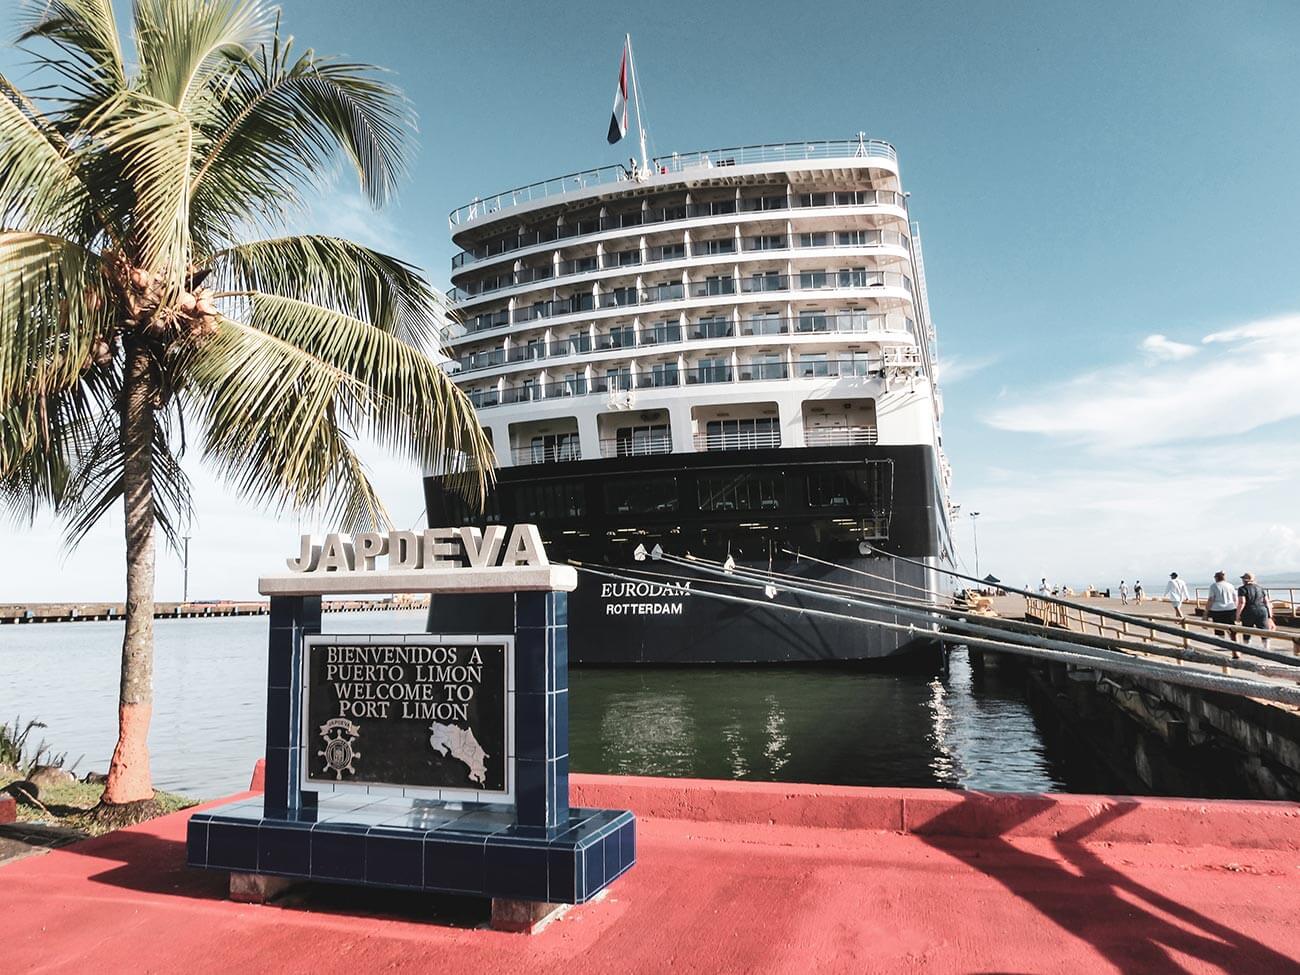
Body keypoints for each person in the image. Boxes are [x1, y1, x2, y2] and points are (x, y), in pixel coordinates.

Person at [1236, 572, 1272, 645]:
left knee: (1247, 631)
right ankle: (1266, 648)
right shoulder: (1260, 588)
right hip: (1262, 610)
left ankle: (1247, 647)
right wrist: (1269, 614)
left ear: (1244, 580)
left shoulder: (1242, 589)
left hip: (1248, 611)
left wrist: (1238, 615)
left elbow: (1242, 602)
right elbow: (1267, 601)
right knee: (1264, 631)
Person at [1206, 571, 1238, 649]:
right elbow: (1235, 599)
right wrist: (1237, 610)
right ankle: (1235, 644)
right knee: (1231, 627)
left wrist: (1206, 612)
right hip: (1230, 608)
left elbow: (1211, 599)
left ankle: (1222, 645)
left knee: (1218, 628)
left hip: (1217, 609)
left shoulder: (1213, 586)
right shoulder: (1230, 585)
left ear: (1216, 578)